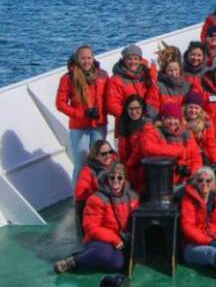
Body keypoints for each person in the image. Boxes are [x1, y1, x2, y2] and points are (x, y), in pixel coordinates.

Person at [53, 163, 138, 275]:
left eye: (120, 177)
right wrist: (115, 239)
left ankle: (93, 258)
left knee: (116, 264)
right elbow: (91, 227)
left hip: (121, 240)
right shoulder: (96, 198)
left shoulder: (132, 197)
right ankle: (73, 261)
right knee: (103, 254)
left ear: (124, 179)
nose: (115, 181)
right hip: (99, 238)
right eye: (112, 177)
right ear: (107, 178)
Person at [56, 44, 108, 180]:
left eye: (89, 58)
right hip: (79, 127)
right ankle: (79, 198)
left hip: (99, 124)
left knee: (100, 161)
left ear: (93, 58)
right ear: (77, 59)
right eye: (83, 58)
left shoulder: (102, 75)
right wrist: (80, 113)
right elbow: (60, 104)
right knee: (81, 164)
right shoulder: (68, 78)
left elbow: (108, 97)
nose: (86, 61)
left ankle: (98, 194)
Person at [141, 102, 202, 186]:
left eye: (176, 119)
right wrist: (179, 151)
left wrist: (192, 173)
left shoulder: (186, 134)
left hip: (185, 180)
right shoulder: (155, 132)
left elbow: (196, 157)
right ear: (162, 119)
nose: (173, 122)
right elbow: (148, 148)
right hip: (162, 181)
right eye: (169, 118)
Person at [105, 44, 158, 120]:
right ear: (124, 60)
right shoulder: (115, 80)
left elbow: (156, 89)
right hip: (127, 122)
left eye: (136, 59)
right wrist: (131, 115)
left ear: (140, 60)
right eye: (129, 59)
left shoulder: (146, 74)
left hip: (148, 119)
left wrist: (151, 69)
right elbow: (112, 105)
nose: (133, 62)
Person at [74, 140, 117, 231]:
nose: (108, 156)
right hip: (94, 209)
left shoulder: (117, 164)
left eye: (110, 152)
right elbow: (80, 194)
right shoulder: (88, 171)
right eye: (104, 154)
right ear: (96, 156)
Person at [116, 95, 152, 192]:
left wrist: (127, 166)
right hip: (128, 171)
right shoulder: (123, 125)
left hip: (143, 170)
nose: (134, 112)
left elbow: (142, 151)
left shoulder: (147, 127)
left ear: (142, 108)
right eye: (131, 109)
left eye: (137, 108)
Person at [183, 91, 216, 172]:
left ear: (200, 110)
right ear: (186, 108)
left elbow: (210, 144)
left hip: (200, 157)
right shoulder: (181, 123)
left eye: (196, 108)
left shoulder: (206, 124)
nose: (193, 111)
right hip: (185, 157)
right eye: (190, 107)